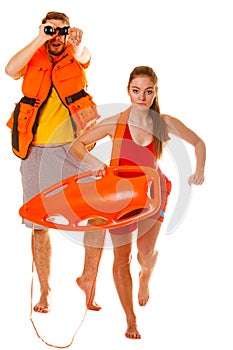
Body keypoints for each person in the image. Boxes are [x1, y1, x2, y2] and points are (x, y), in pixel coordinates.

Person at [70, 65, 206, 339]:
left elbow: (198, 142)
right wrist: (95, 162)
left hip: (153, 194)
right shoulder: (114, 122)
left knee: (145, 252)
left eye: (148, 91)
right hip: (119, 196)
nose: (142, 97)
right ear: (128, 92)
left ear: (155, 93)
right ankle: (131, 320)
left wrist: (199, 170)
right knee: (122, 258)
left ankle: (145, 276)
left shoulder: (163, 122)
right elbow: (77, 146)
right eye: (136, 91)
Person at [5, 11, 101, 313]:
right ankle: (45, 292)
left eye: (62, 30)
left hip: (74, 149)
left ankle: (88, 280)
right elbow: (10, 69)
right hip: (35, 150)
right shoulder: (34, 55)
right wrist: (40, 38)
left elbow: (83, 54)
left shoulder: (75, 55)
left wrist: (74, 43)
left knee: (100, 212)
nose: (56, 36)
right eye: (51, 30)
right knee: (38, 225)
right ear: (44, 30)